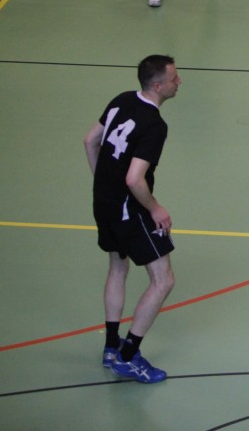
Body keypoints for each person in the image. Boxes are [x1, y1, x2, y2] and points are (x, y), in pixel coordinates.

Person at [83, 55, 182, 383]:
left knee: (118, 266)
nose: (179, 82)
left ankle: (111, 346)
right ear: (158, 86)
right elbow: (134, 179)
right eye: (174, 78)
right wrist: (155, 208)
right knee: (163, 280)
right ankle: (127, 357)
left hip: (103, 203)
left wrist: (103, 183)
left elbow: (90, 141)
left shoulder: (122, 100)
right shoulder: (155, 125)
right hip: (130, 209)